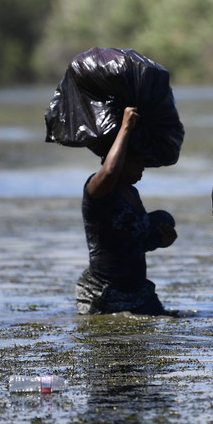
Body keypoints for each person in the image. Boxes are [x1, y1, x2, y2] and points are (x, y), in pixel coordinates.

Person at [75, 106, 177, 315]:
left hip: (139, 293)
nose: (143, 167)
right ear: (119, 158)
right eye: (137, 160)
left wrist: (162, 241)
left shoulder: (132, 194)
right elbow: (110, 171)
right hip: (105, 294)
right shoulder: (96, 189)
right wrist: (125, 127)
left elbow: (131, 240)